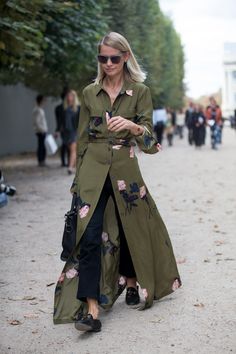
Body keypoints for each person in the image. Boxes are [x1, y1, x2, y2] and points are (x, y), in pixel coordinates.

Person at [53, 32, 181, 333]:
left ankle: (133, 281)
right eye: (102, 58)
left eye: (114, 57)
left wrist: (134, 126)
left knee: (129, 229)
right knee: (90, 235)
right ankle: (91, 308)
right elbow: (82, 140)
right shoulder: (89, 93)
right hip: (92, 173)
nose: (108, 63)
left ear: (125, 57)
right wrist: (76, 184)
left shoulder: (140, 92)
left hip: (126, 172)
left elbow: (151, 144)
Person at [63, 90, 80, 174]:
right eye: (68, 96)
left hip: (75, 131)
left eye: (71, 96)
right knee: (72, 150)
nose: (69, 98)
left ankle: (70, 167)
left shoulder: (77, 108)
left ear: (74, 97)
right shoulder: (66, 108)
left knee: (73, 150)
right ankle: (76, 167)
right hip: (67, 132)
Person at [54, 88, 70, 167]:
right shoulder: (63, 108)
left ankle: (64, 162)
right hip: (66, 129)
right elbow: (59, 120)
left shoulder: (58, 108)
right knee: (66, 145)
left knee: (66, 145)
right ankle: (67, 162)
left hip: (63, 129)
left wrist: (57, 130)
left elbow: (58, 121)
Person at [32, 94, 48, 166]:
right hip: (41, 131)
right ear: (41, 101)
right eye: (44, 100)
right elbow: (37, 122)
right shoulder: (38, 110)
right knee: (41, 147)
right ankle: (41, 161)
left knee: (42, 146)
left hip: (41, 131)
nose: (45, 102)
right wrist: (42, 130)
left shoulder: (39, 109)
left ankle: (42, 161)